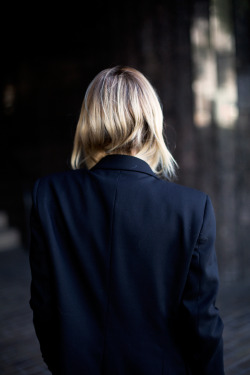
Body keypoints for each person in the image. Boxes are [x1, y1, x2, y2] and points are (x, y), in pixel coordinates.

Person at [29, 66, 224, 375]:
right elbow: (202, 321)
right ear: (151, 121)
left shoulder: (50, 195)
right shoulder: (191, 208)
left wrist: (63, 362)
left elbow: (44, 305)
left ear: (90, 119)